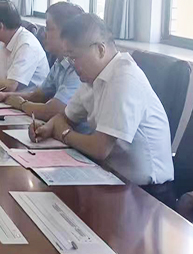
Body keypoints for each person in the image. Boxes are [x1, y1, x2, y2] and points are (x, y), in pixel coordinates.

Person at [32, 14, 173, 199]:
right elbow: (65, 117)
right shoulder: (92, 77)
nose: (72, 65)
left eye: (75, 58)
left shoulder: (124, 78)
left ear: (100, 49)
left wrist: (64, 134)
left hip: (147, 194)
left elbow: (100, 148)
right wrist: (46, 128)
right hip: (110, 178)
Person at [0, 2, 86, 126]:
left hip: (74, 136)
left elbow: (52, 110)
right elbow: (39, 95)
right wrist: (4, 95)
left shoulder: (77, 68)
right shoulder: (59, 63)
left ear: (66, 33)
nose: (43, 33)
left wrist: (22, 104)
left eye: (48, 28)